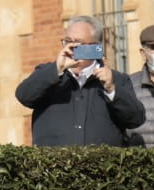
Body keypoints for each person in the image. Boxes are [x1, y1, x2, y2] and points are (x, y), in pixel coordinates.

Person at [14, 15, 146, 147]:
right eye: (68, 42)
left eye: (79, 44)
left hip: (102, 160)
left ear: (96, 47)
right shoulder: (48, 73)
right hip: (53, 160)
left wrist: (111, 89)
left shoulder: (117, 79)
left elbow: (136, 119)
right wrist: (57, 68)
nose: (71, 48)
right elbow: (24, 96)